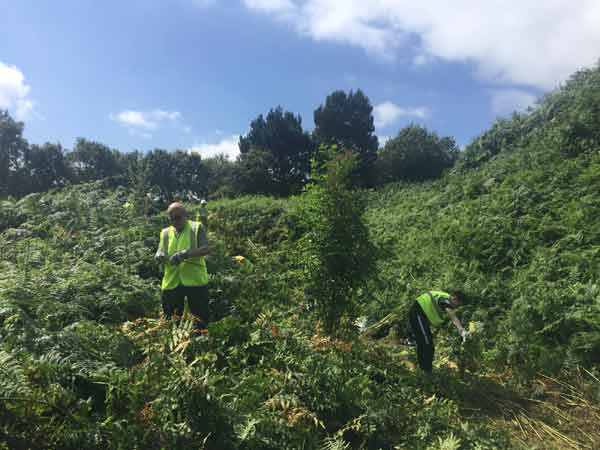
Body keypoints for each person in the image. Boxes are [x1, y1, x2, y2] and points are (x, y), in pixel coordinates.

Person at [155, 202, 211, 329]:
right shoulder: (165, 233)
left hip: (195, 281)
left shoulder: (196, 227)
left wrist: (185, 254)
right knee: (171, 320)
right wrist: (159, 255)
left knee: (201, 319)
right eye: (172, 219)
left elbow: (206, 249)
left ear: (186, 215)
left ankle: (202, 343)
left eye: (178, 217)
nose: (175, 221)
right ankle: (176, 346)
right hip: (171, 282)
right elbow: (160, 251)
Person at [407, 290, 468, 373]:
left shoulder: (444, 298)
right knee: (426, 343)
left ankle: (425, 369)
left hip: (421, 316)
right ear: (454, 299)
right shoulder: (445, 300)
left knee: (428, 344)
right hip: (418, 313)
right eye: (458, 304)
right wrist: (461, 330)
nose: (457, 307)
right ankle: (425, 370)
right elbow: (453, 317)